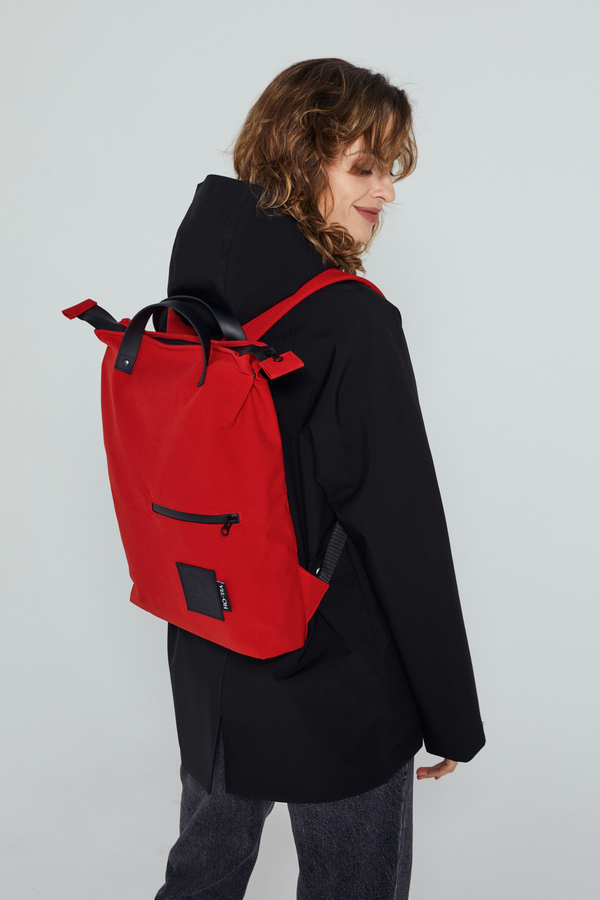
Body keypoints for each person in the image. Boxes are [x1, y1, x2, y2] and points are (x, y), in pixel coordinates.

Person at [154, 58, 485, 900]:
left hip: (211, 651)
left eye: (390, 168)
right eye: (364, 166)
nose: (387, 191)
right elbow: (402, 528)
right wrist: (451, 715)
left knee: (200, 878)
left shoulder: (196, 293)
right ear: (302, 159)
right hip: (336, 676)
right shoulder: (350, 319)